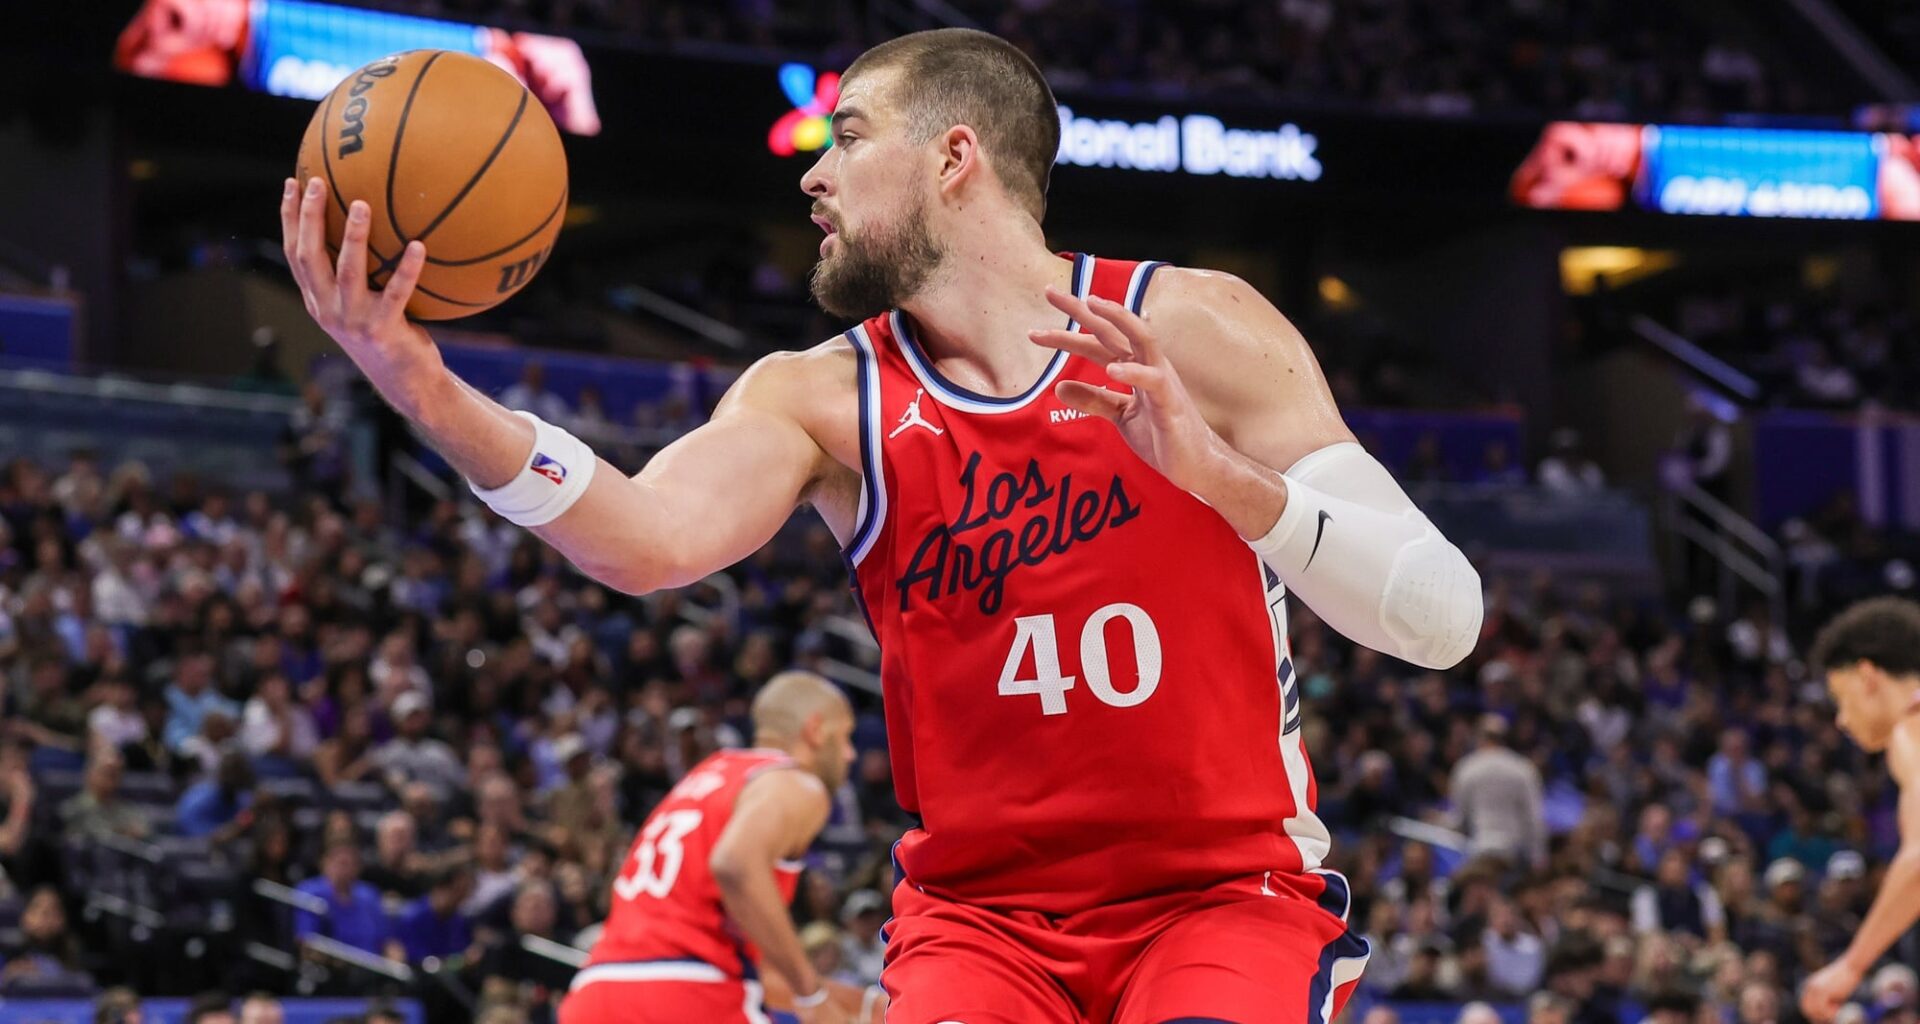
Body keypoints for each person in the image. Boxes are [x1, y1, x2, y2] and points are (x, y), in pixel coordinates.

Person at [280, 26, 1481, 1024]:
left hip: (1219, 893)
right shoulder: (819, 396)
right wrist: (421, 386)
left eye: (846, 136)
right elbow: (642, 538)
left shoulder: (1198, 324)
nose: (812, 172)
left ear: (955, 156)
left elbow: (1443, 617)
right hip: (982, 923)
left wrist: (1223, 478)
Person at [558, 672, 870, 1023]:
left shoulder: (703, 778)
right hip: (688, 992)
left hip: (597, 991)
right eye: (844, 737)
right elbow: (734, 864)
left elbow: (743, 960)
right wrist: (810, 993)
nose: (849, 754)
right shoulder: (794, 782)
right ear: (815, 730)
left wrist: (852, 1004)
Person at [1801, 596, 1920, 1022]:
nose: (1841, 719)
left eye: (1840, 696)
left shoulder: (1912, 727)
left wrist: (1851, 965)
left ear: (1868, 676)